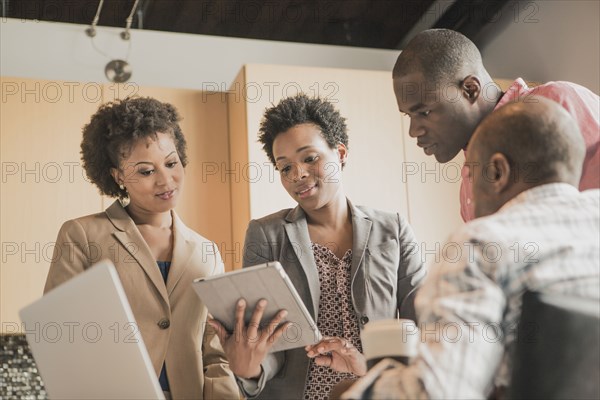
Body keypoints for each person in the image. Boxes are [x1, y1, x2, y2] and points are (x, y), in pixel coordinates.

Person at [337, 97, 600, 399]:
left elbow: (440, 394)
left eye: (472, 176)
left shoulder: (480, 243)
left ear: (498, 172)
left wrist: (357, 392)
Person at [208, 94, 426, 400]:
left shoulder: (394, 230)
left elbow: (423, 328)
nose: (298, 175)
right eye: (285, 168)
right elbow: (265, 338)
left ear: (340, 153)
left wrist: (367, 368)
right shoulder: (265, 234)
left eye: (310, 158)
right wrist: (249, 369)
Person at [44, 97, 240, 400]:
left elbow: (215, 351)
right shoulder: (82, 235)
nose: (166, 180)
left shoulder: (207, 252)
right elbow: (60, 336)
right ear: (118, 176)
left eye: (172, 163)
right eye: (146, 171)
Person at [392, 28, 599, 222]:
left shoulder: (555, 101)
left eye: (424, 112)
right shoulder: (469, 188)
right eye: (408, 115)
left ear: (470, 89)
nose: (414, 131)